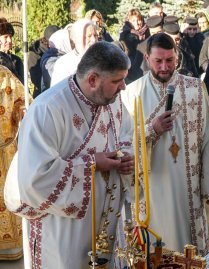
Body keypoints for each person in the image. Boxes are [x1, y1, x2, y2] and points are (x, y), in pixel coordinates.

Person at [5, 42, 135, 268]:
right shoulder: (48, 109)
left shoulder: (112, 100)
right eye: (117, 80)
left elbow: (126, 133)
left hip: (107, 219)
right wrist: (93, 164)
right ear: (92, 80)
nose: (124, 86)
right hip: (63, 228)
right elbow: (36, 179)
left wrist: (126, 157)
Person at [121, 33, 209, 254]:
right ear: (147, 58)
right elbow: (122, 146)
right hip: (151, 189)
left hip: (187, 187)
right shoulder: (132, 93)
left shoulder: (194, 89)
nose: (164, 67)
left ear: (176, 58)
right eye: (158, 61)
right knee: (153, 250)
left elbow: (208, 137)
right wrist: (152, 130)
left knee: (188, 249)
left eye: (169, 60)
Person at [0, 66, 28, 261]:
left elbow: (23, 101)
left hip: (5, 150)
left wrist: (23, 111)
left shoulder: (3, 74)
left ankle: (9, 249)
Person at [51, 19, 98, 86]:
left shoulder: (104, 57)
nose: (93, 40)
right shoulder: (63, 64)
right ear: (76, 39)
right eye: (89, 36)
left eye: (95, 35)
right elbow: (57, 93)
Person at [120, 9, 150, 83]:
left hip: (146, 69)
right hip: (132, 71)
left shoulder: (147, 32)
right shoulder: (126, 35)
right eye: (133, 21)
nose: (136, 23)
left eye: (138, 20)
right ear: (129, 22)